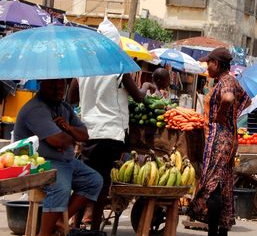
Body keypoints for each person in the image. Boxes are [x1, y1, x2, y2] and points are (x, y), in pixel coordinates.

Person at [68, 18, 157, 230]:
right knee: (100, 185)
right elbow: (138, 97)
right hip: (111, 134)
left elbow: (71, 98)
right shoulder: (119, 67)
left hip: (88, 133)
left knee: (85, 182)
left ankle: (74, 224)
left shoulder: (84, 67)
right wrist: (145, 84)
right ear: (115, 44)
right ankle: (93, 228)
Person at [14, 79, 103, 235]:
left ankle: (60, 221)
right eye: (52, 87)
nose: (58, 91)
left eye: (61, 88)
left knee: (94, 180)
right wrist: (70, 136)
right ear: (42, 85)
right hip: (40, 163)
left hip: (65, 161)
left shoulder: (64, 107)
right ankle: (45, 233)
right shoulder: (36, 109)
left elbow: (84, 135)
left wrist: (68, 129)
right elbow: (58, 141)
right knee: (61, 186)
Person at [188, 47, 251, 236]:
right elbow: (241, 100)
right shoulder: (225, 81)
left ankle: (213, 232)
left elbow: (229, 97)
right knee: (222, 185)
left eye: (209, 63)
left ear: (217, 63)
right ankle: (220, 232)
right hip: (225, 138)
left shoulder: (227, 81)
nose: (207, 66)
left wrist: (221, 115)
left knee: (212, 185)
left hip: (220, 138)